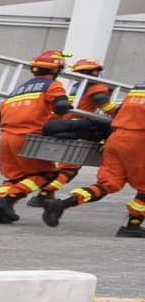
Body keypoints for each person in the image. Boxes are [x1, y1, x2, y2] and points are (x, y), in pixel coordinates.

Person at [0, 50, 73, 224]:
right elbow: (61, 105)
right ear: (56, 70)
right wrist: (65, 110)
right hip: (26, 137)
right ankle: (6, 201)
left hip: (6, 138)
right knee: (47, 174)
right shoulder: (52, 85)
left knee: (14, 177)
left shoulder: (19, 90)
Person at [42, 81, 144, 237]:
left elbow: (118, 113)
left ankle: (62, 204)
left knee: (105, 185)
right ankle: (132, 226)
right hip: (139, 142)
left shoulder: (136, 90)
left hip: (116, 138)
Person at [39, 58, 115, 203]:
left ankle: (47, 192)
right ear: (94, 72)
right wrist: (120, 113)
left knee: (67, 165)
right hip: (81, 128)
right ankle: (46, 192)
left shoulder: (76, 87)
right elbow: (105, 106)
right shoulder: (96, 86)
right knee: (70, 168)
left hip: (65, 125)